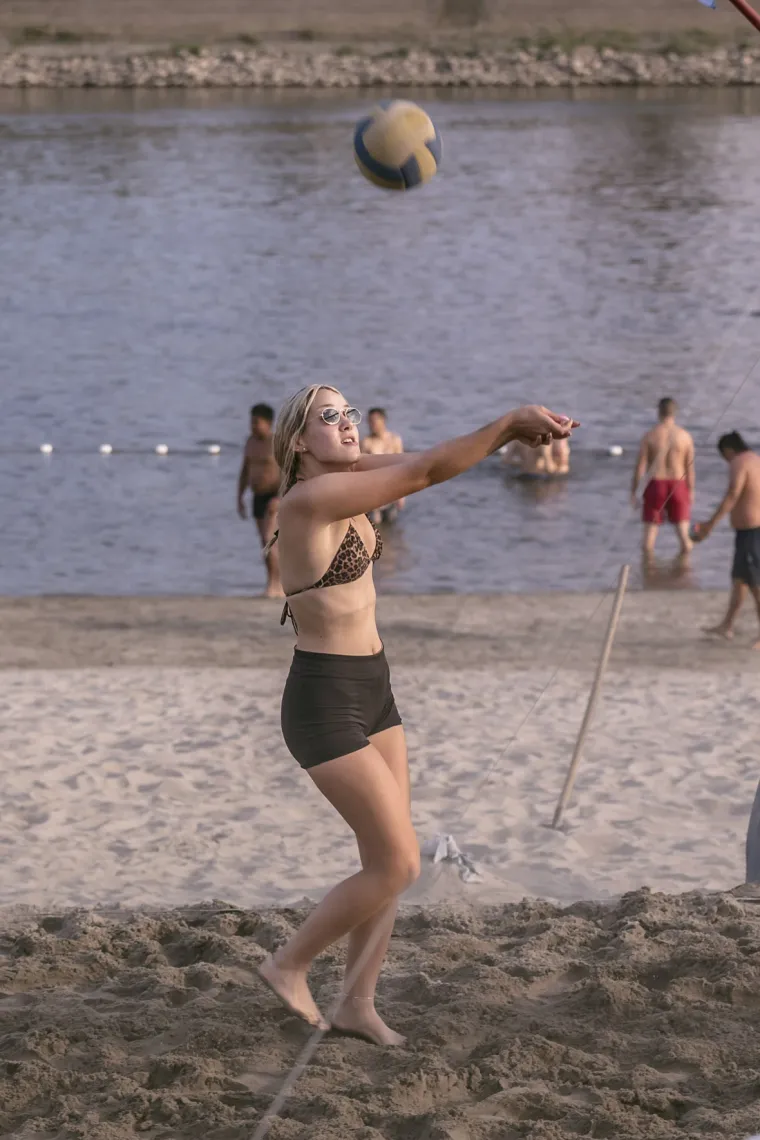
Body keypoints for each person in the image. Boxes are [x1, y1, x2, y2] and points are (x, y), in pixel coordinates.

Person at [256, 385, 578, 1045]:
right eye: (330, 417)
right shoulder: (308, 500)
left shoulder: (350, 475)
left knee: (384, 861)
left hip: (375, 686)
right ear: (297, 441)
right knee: (399, 862)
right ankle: (288, 964)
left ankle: (356, 1003)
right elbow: (425, 473)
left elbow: (431, 457)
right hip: (323, 700)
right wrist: (510, 421)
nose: (347, 424)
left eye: (350, 413)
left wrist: (504, 437)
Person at [693, 431, 760, 648]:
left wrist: (710, 525)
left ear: (728, 450)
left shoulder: (739, 462)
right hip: (748, 531)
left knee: (755, 583)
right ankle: (727, 625)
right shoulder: (755, 460)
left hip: (752, 531)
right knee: (740, 580)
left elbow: (733, 495)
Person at [631, 397, 695, 558]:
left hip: (656, 485)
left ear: (659, 412)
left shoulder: (650, 436)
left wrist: (634, 492)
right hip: (678, 485)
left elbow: (640, 468)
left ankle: (649, 573)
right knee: (684, 537)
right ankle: (684, 572)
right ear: (675, 413)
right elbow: (690, 468)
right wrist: (691, 490)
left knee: (648, 541)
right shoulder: (685, 436)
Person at [237, 403, 283, 598]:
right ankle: (270, 583)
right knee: (264, 543)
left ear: (268, 423)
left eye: (257, 422)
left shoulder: (277, 443)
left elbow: (289, 472)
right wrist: (239, 497)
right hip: (257, 496)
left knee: (269, 540)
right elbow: (245, 470)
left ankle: (278, 585)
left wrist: (280, 498)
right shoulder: (250, 442)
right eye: (251, 422)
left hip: (275, 496)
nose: (253, 426)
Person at [360, 407, 405, 524]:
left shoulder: (395, 440)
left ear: (383, 420)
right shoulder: (366, 442)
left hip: (392, 489)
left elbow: (401, 467)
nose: (372, 424)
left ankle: (392, 542)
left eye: (374, 420)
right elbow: (361, 469)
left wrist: (402, 495)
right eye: (369, 421)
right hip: (374, 490)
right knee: (376, 523)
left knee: (391, 522)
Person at [502, 437, 570, 476]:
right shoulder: (545, 443)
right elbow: (550, 470)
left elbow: (506, 460)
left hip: (523, 474)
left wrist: (522, 463)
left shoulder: (518, 438)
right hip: (540, 478)